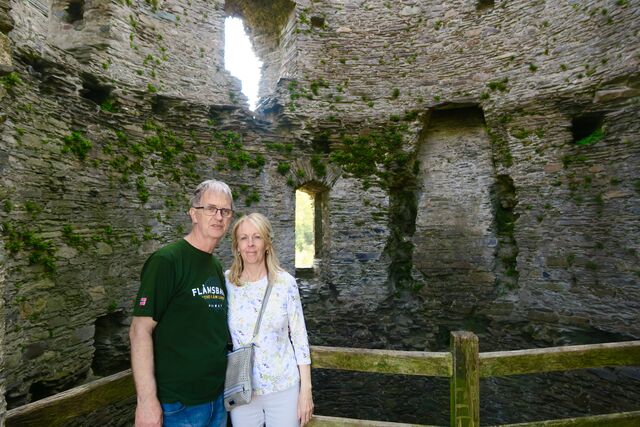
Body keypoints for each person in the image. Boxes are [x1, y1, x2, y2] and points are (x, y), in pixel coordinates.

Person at [129, 179, 235, 427]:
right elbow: (139, 331)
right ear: (193, 214)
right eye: (210, 208)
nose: (218, 216)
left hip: (217, 400)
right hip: (178, 405)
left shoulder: (216, 266)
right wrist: (146, 401)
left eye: (225, 211)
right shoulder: (167, 261)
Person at [225, 213, 314, 426]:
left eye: (257, 237)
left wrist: (306, 392)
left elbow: (300, 339)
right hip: (243, 389)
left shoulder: (285, 283)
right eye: (244, 238)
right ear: (236, 245)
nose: (250, 244)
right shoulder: (227, 283)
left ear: (267, 243)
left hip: (283, 388)